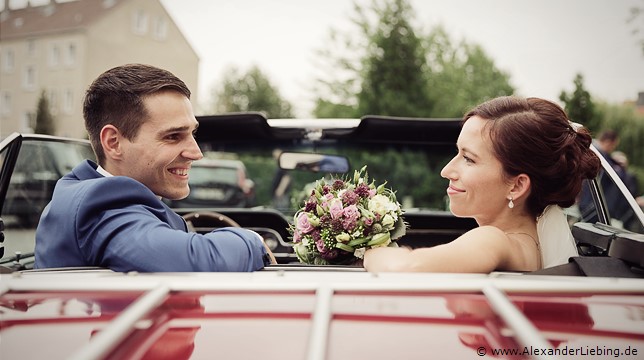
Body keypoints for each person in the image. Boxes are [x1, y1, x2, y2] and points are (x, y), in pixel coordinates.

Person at [35, 64, 276, 272]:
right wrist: (253, 240)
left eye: (192, 133)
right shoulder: (101, 204)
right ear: (113, 142)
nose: (196, 153)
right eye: (173, 136)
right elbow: (194, 261)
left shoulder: (86, 191)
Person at [363, 96, 601, 273]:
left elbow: (405, 268)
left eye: (468, 159)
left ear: (516, 186)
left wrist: (364, 246)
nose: (446, 171)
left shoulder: (494, 239)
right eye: (457, 153)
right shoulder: (532, 245)